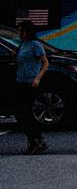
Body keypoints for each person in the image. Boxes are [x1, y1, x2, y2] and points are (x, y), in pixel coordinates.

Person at [13, 19, 48, 155]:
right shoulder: (22, 44)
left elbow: (45, 63)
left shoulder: (35, 45)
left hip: (31, 83)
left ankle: (35, 141)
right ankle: (36, 139)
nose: (20, 33)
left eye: (22, 30)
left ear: (28, 31)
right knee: (21, 114)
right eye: (19, 30)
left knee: (26, 113)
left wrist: (38, 78)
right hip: (20, 81)